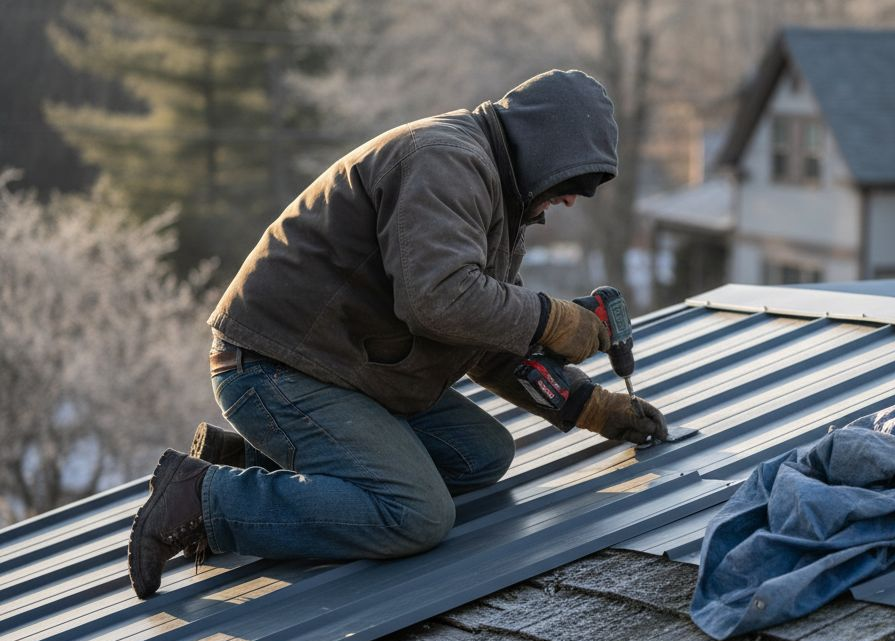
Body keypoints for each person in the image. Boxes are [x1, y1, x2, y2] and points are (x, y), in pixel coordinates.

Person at [127, 70, 668, 599]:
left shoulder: (495, 197)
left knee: (480, 454)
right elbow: (439, 300)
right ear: (546, 145)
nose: (571, 200)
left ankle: (245, 459)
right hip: (275, 366)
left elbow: (483, 339)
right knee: (415, 515)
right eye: (571, 182)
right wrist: (554, 320)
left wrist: (591, 407)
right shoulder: (446, 161)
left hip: (342, 369)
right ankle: (202, 500)